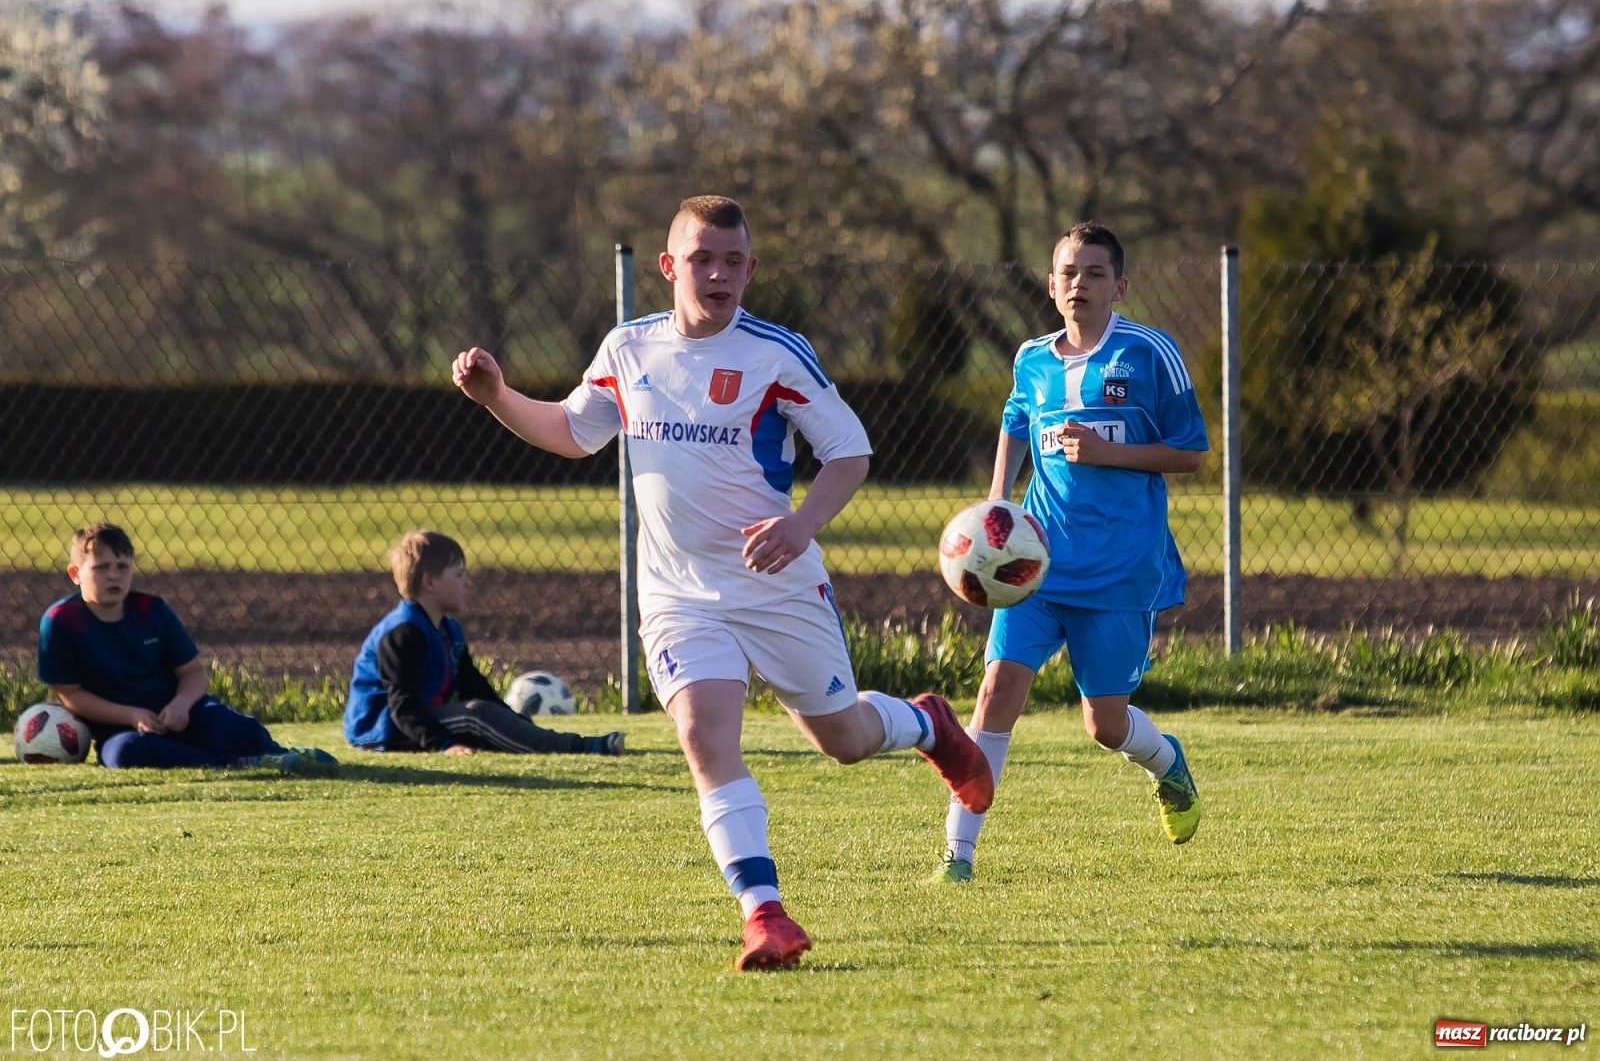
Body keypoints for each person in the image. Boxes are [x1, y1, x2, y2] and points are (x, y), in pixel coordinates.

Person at [452, 195, 993, 971]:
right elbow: (573, 432)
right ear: (670, 267)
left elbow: (850, 452)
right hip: (676, 592)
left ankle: (927, 725)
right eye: (703, 259)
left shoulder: (777, 354)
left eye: (734, 261)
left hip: (777, 585)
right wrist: (495, 397)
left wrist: (801, 526)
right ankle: (765, 915)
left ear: (751, 269)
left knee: (841, 739)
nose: (719, 274)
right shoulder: (629, 348)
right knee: (705, 738)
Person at [927, 222, 1209, 885]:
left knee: (1104, 725)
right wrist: (997, 503)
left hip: (1121, 570)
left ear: (1119, 286)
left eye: (1094, 273)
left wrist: (1111, 453)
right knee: (995, 692)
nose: (1079, 284)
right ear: (1052, 285)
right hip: (1037, 565)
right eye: (1068, 272)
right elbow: (1014, 421)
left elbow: (1192, 452)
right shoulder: (1032, 358)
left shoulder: (1149, 354)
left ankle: (1168, 763)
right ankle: (957, 855)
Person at [37, 522, 337, 773]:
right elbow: (71, 696)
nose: (114, 575)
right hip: (123, 728)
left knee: (238, 730)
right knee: (126, 754)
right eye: (101, 567)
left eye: (122, 566)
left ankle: (282, 755)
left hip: (182, 711)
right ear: (75, 574)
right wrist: (131, 716)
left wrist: (180, 704)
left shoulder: (151, 609)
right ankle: (235, 764)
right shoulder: (61, 620)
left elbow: (193, 673)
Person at [345, 530, 624, 757]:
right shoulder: (403, 633)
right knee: (475, 716)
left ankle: (551, 740)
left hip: (417, 721)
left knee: (483, 711)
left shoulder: (448, 628)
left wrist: (514, 721)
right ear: (429, 582)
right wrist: (444, 744)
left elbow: (473, 685)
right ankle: (583, 746)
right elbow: (402, 706)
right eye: (458, 575)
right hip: (384, 726)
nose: (467, 582)